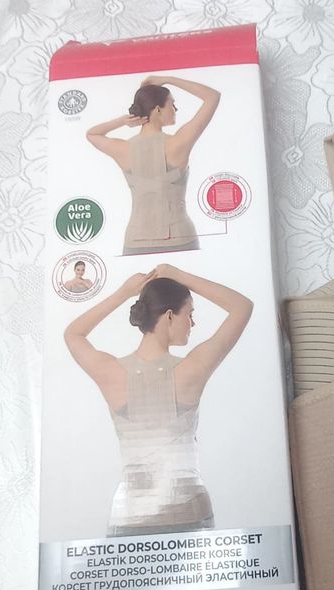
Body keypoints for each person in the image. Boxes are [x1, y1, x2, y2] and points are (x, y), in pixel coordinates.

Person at [63, 263, 253, 536]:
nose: (193, 323)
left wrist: (123, 292)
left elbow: (73, 334)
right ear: (169, 316)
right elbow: (242, 307)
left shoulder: (111, 372)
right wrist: (180, 275)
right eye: (190, 314)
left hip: (130, 518)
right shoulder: (191, 370)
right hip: (189, 511)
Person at [86, 76, 221, 256]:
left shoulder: (123, 149)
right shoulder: (178, 143)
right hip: (181, 238)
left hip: (136, 241)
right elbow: (212, 96)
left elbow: (92, 134)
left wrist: (124, 121)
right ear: (157, 109)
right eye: (172, 104)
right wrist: (167, 79)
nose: (175, 109)